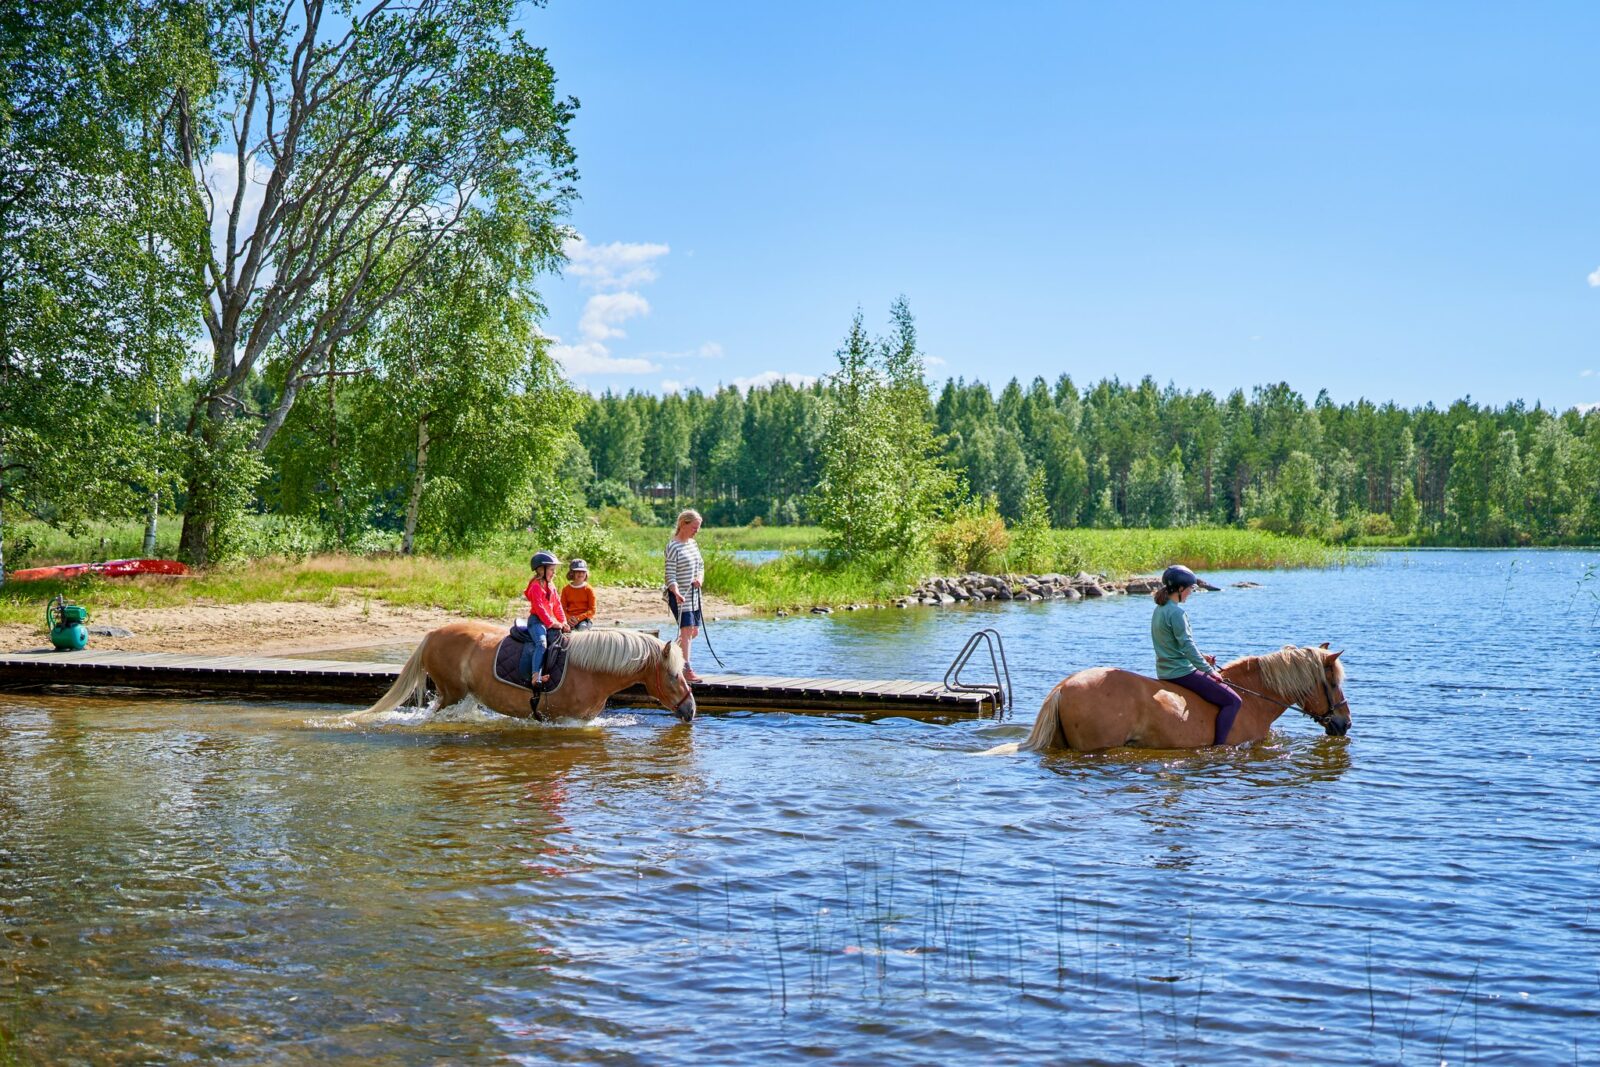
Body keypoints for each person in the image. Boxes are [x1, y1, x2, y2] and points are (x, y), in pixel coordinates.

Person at [1151, 564, 1243, 745]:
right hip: (1181, 672)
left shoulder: (1160, 610)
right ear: (1179, 589)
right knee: (1234, 701)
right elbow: (1186, 646)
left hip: (1164, 670)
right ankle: (1219, 748)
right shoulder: (1177, 612)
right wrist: (1210, 670)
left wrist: (1202, 656)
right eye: (1190, 589)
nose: (1191, 592)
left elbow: (1174, 644)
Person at [664, 508, 705, 682]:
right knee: (687, 631)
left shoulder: (692, 544)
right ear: (683, 524)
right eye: (695, 527)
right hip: (679, 595)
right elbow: (669, 575)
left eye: (698, 528)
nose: (697, 531)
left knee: (693, 632)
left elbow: (701, 566)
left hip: (695, 595)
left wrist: (700, 579)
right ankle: (686, 669)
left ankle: (669, 658)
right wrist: (676, 591)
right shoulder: (673, 546)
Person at [522, 550, 570, 685]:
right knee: (542, 644)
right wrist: (550, 623)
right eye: (551, 570)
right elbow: (539, 608)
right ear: (540, 570)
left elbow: (557, 606)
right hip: (536, 622)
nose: (554, 573)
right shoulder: (535, 586)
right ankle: (535, 675)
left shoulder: (551, 585)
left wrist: (563, 621)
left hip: (548, 621)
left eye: (554, 570)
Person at [561, 559, 596, 630]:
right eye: (577, 571)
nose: (581, 574)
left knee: (582, 628)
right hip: (569, 619)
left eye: (583, 571)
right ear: (571, 573)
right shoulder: (566, 589)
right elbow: (562, 608)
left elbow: (592, 610)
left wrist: (578, 618)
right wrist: (568, 618)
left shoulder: (589, 589)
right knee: (561, 630)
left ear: (586, 573)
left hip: (584, 619)